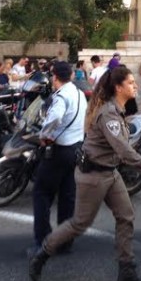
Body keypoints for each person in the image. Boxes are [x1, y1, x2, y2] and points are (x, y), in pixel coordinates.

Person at [29, 66, 141, 281]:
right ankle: (42, 255)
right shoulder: (109, 114)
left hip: (110, 173)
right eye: (131, 82)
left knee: (126, 216)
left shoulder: (118, 110)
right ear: (118, 87)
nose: (135, 86)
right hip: (93, 175)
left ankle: (126, 272)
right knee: (79, 223)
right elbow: (123, 149)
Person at [31, 61, 87, 252]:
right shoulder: (79, 94)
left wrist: (44, 135)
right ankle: (65, 242)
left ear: (55, 77)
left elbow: (54, 117)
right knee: (67, 196)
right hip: (76, 149)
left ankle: (43, 241)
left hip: (59, 150)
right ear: (71, 76)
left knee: (42, 193)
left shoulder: (61, 96)